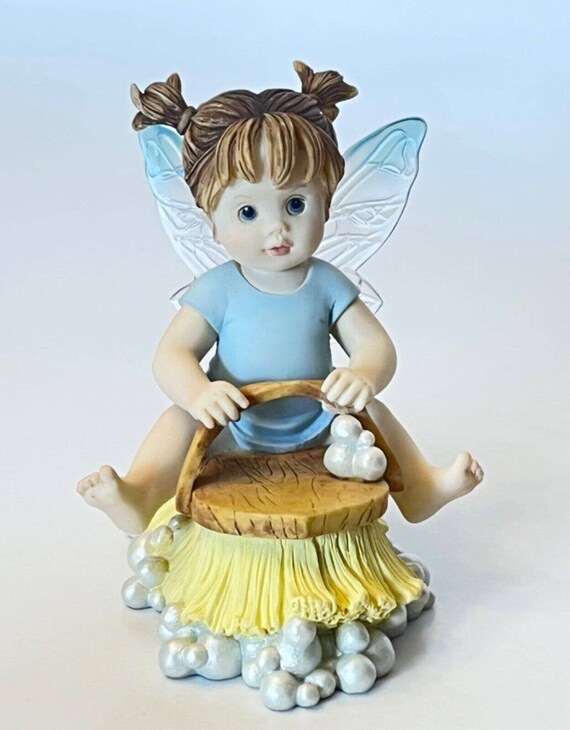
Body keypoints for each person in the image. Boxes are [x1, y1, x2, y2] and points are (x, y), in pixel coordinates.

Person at [77, 62, 483, 535]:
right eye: (248, 212)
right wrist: (199, 393)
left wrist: (363, 376)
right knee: (177, 420)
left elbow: (376, 346)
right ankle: (141, 495)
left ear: (326, 204)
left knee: (373, 413)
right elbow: (171, 354)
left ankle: (421, 488)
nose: (277, 229)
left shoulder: (326, 283)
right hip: (232, 426)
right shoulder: (219, 288)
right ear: (211, 222)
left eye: (295, 204)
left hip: (323, 421)